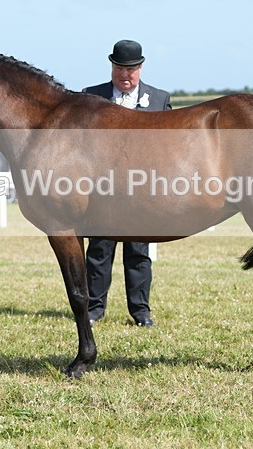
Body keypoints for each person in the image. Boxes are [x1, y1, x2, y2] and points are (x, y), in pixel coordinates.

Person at [82, 40, 172, 327]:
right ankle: (94, 309)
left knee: (138, 252)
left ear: (141, 68)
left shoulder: (159, 99)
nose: (125, 75)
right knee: (98, 251)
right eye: (120, 68)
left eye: (131, 69)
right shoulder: (90, 97)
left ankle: (141, 311)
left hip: (142, 192)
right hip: (102, 191)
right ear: (112, 67)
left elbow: (171, 146)